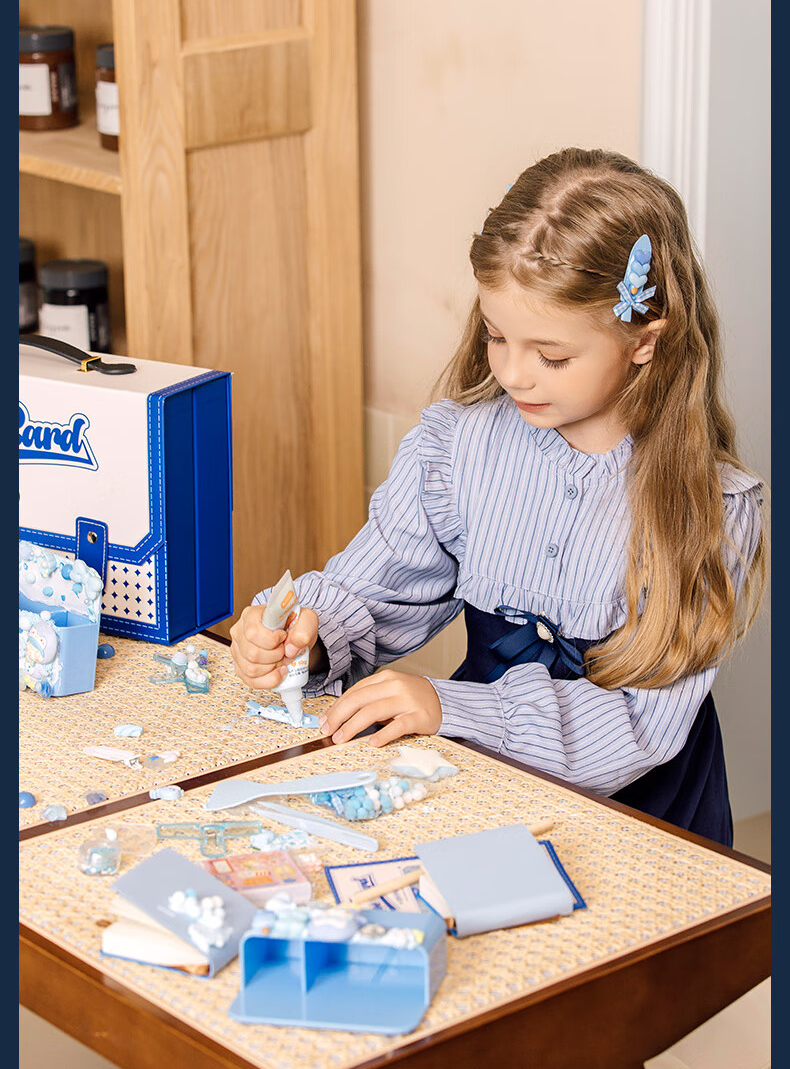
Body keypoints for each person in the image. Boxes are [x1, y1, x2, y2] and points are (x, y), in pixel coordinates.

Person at [231, 147, 766, 846]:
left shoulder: (711, 508)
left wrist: (449, 707)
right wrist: (306, 637)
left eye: (552, 356)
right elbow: (377, 589)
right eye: (495, 336)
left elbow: (642, 724)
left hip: (651, 816)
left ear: (643, 340)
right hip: (484, 780)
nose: (514, 374)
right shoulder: (457, 447)